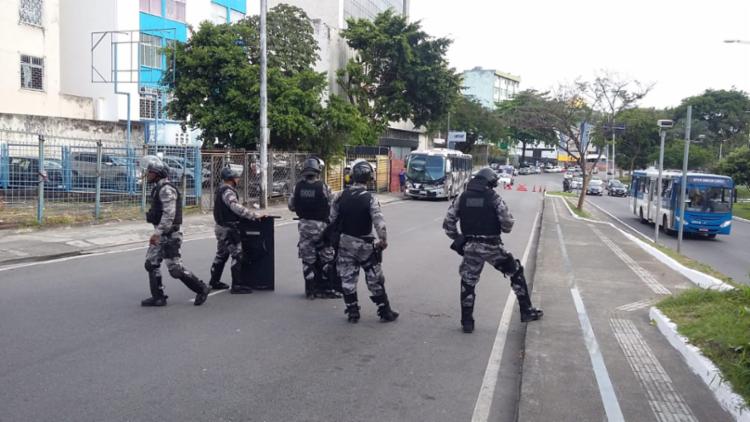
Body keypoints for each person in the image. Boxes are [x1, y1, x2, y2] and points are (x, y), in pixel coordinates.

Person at [443, 167, 543, 333]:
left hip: (470, 247)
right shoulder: (493, 198)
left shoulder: (462, 197)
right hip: (492, 247)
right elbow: (507, 223)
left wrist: (460, 239)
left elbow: (448, 224)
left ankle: (467, 322)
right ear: (489, 182)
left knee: (468, 282)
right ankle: (526, 311)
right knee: (515, 272)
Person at [328, 159, 398, 323]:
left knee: (347, 278)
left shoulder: (340, 195)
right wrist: (383, 240)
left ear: (352, 177)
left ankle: (352, 312)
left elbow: (331, 219)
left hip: (345, 243)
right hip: (365, 246)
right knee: (374, 277)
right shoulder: (369, 199)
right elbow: (379, 222)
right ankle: (384, 311)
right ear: (370, 179)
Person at [141, 155, 210, 307]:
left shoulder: (166, 189)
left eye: (150, 172)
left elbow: (169, 215)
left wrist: (156, 234)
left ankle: (202, 288)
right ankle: (158, 297)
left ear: (158, 173)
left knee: (175, 269)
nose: (147, 175)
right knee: (151, 264)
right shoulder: (158, 187)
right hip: (162, 234)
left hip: (170, 235)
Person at [288, 157, 339, 299]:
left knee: (307, 259)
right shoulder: (323, 187)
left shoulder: (297, 187)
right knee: (327, 258)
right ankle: (326, 290)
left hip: (304, 227)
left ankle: (310, 291)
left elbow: (291, 206)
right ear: (318, 171)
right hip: (322, 228)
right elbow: (333, 205)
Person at [209, 167, 264, 294]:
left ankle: (214, 281)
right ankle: (237, 285)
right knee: (237, 254)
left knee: (221, 254)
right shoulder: (228, 191)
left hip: (220, 226)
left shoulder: (220, 189)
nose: (238, 179)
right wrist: (253, 215)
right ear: (232, 179)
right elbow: (235, 207)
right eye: (237, 177)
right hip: (228, 228)